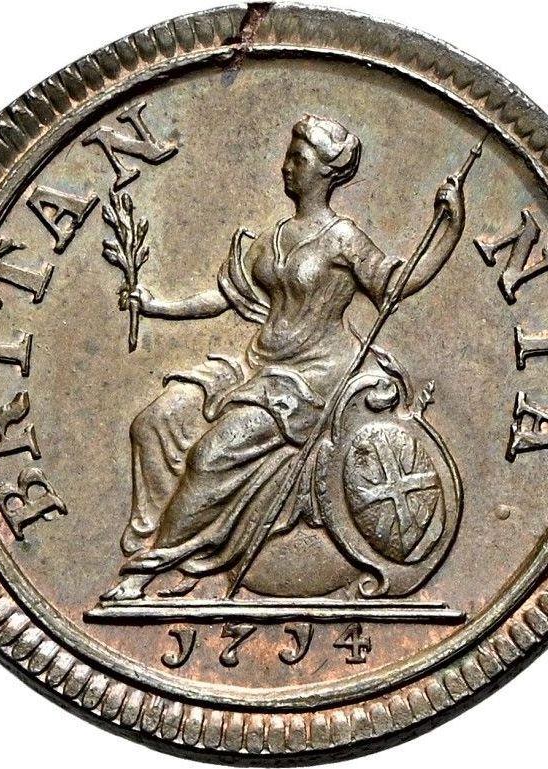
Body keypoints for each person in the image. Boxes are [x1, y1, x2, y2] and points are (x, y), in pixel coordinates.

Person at [102, 114, 465, 601]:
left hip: (314, 378)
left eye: (298, 159)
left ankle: (148, 569)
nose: (286, 167)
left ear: (325, 171)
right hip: (256, 366)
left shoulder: (343, 238)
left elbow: (395, 284)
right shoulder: (272, 237)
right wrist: (157, 305)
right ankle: (156, 539)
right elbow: (224, 296)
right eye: (288, 157)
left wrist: (449, 230)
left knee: (210, 457)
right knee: (153, 422)